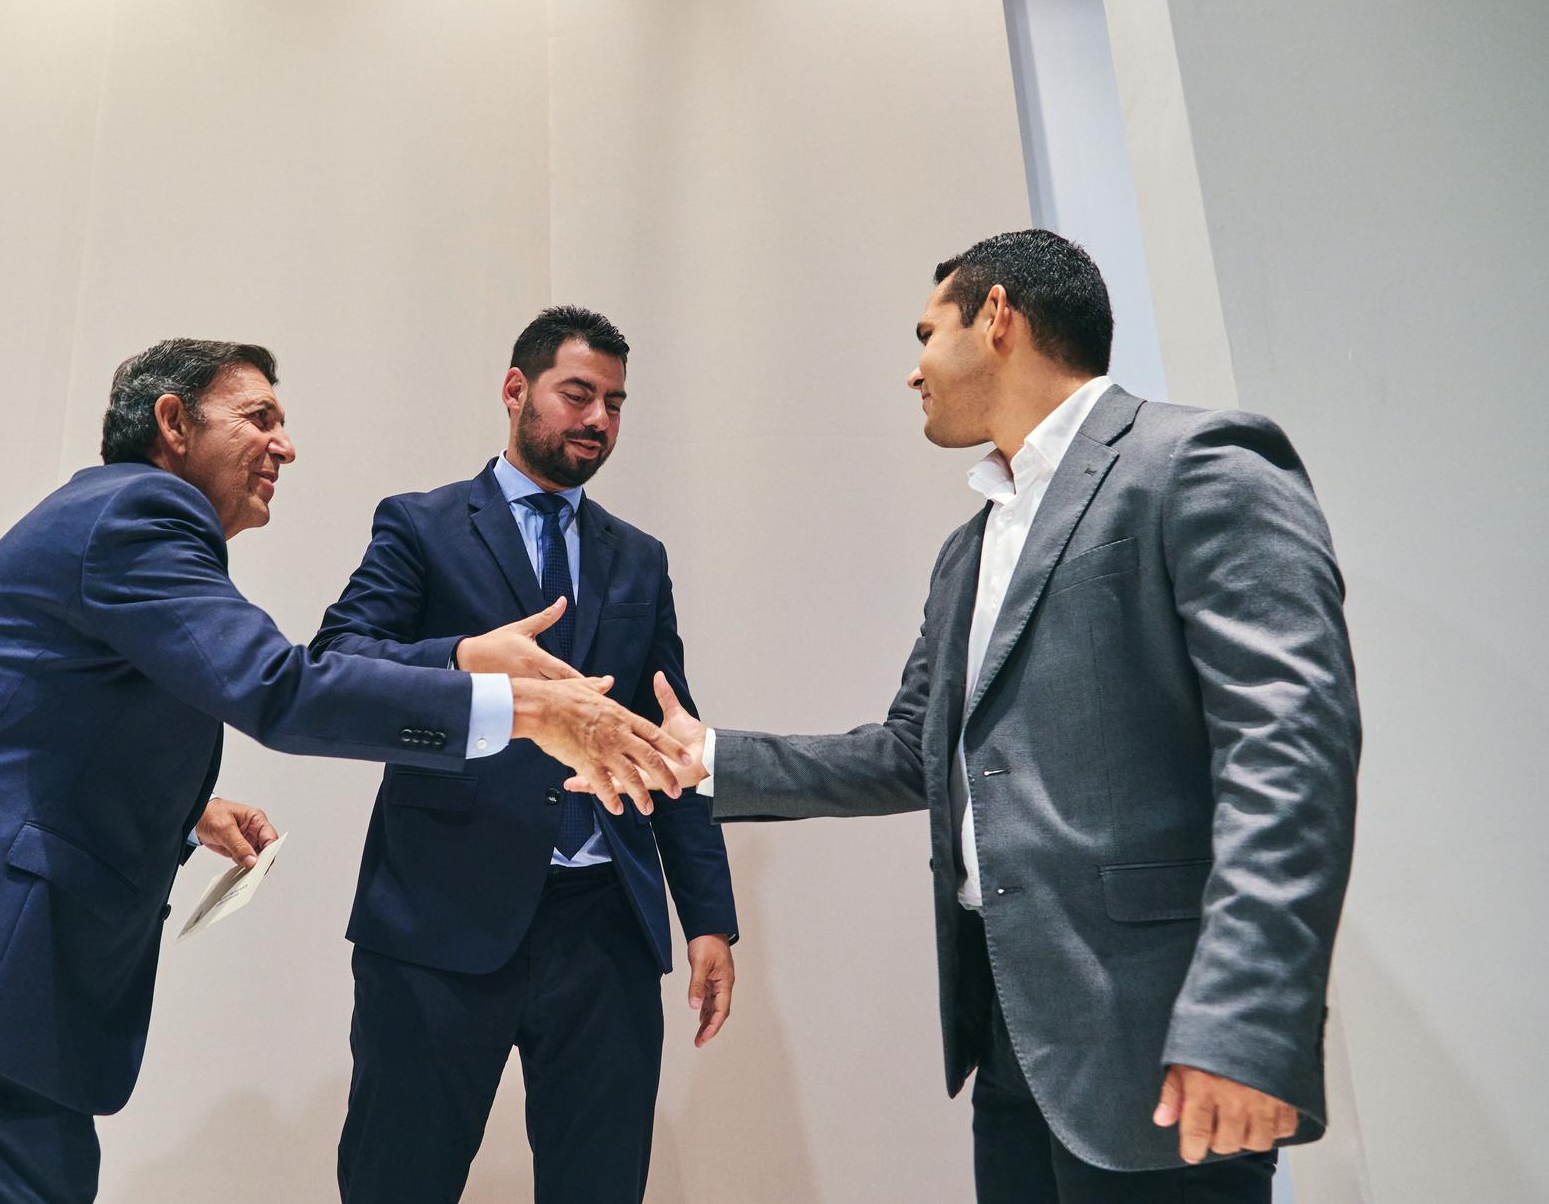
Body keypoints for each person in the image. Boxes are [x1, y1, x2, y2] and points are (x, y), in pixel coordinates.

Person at [0, 338, 693, 1203]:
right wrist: (523, 709)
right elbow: (280, 689)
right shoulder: (144, 514)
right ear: (174, 422)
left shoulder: (105, 518)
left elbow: (46, 717)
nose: (284, 446)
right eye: (258, 417)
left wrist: (188, 810)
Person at [581, 232, 1360, 1202]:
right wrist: (702, 758)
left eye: (925, 331)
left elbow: (1287, 751)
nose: (910, 368)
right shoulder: (967, 547)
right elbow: (910, 752)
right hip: (1010, 1045)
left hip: (1166, 1040)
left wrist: (1242, 1018)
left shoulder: (1197, 463)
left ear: (996, 316)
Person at [317, 307, 739, 1204]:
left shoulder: (639, 558)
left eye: (616, 404)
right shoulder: (423, 527)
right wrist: (467, 659)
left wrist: (708, 916)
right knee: (399, 1179)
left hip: (605, 931)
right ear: (517, 391)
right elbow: (338, 663)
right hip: (438, 916)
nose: (598, 421)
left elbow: (673, 734)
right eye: (577, 394)